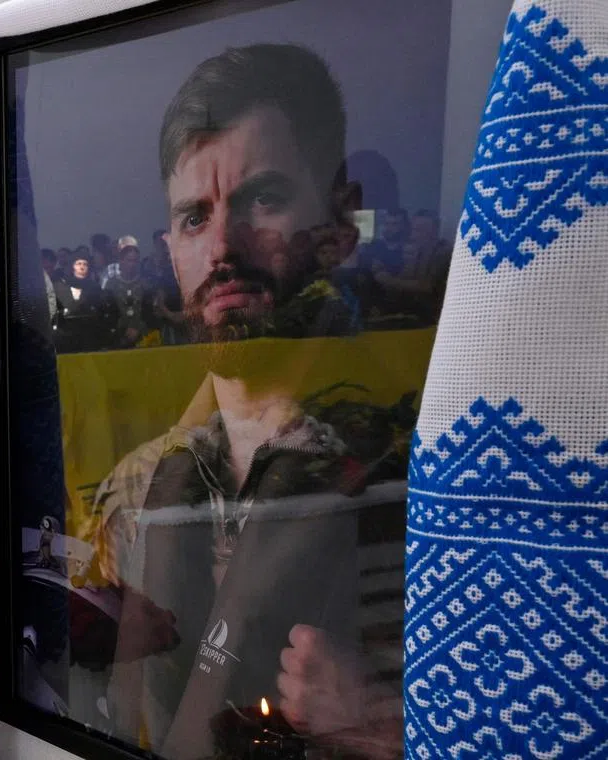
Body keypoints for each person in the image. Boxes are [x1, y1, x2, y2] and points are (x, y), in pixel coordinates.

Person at [84, 45, 405, 759]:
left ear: (338, 223)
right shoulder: (136, 488)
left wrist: (389, 727)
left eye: (264, 198)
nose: (223, 246)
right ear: (173, 251)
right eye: (195, 218)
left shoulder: (411, 482)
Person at [53, 251, 108, 353]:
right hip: (66, 337)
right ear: (72, 266)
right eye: (78, 264)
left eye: (85, 264)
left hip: (90, 337)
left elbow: (101, 312)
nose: (82, 267)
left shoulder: (94, 288)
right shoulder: (59, 287)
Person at [103, 236, 152, 348]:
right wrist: (123, 330)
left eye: (135, 260)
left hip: (144, 337)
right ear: (121, 261)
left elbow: (150, 312)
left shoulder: (146, 285)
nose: (132, 264)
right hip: (118, 337)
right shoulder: (111, 285)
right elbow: (108, 314)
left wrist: (137, 328)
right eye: (129, 260)